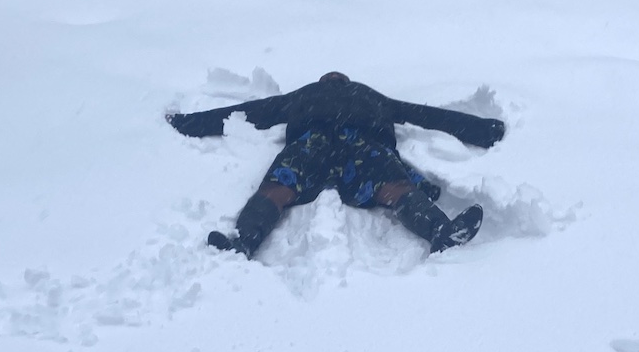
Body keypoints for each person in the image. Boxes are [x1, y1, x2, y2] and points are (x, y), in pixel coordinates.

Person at [165, 72, 506, 259]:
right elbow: (252, 112)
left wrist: (481, 130)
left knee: (395, 187)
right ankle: (243, 242)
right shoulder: (305, 95)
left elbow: (422, 114)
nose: (333, 77)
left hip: (358, 145)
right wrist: (189, 124)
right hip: (320, 144)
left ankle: (440, 233)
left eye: (335, 76)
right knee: (277, 189)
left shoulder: (369, 95)